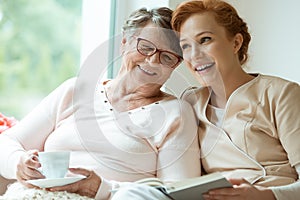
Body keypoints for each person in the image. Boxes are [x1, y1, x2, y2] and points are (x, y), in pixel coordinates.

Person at [0, 7, 201, 200]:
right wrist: (18, 163)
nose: (152, 61)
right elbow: (7, 142)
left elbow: (180, 192)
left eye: (167, 57)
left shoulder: (176, 113)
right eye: (146, 48)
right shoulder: (75, 90)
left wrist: (102, 188)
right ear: (124, 43)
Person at [171, 0, 300, 199]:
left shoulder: (281, 94)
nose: (194, 55)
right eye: (185, 46)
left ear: (236, 43)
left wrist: (265, 196)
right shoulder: (190, 102)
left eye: (205, 39)